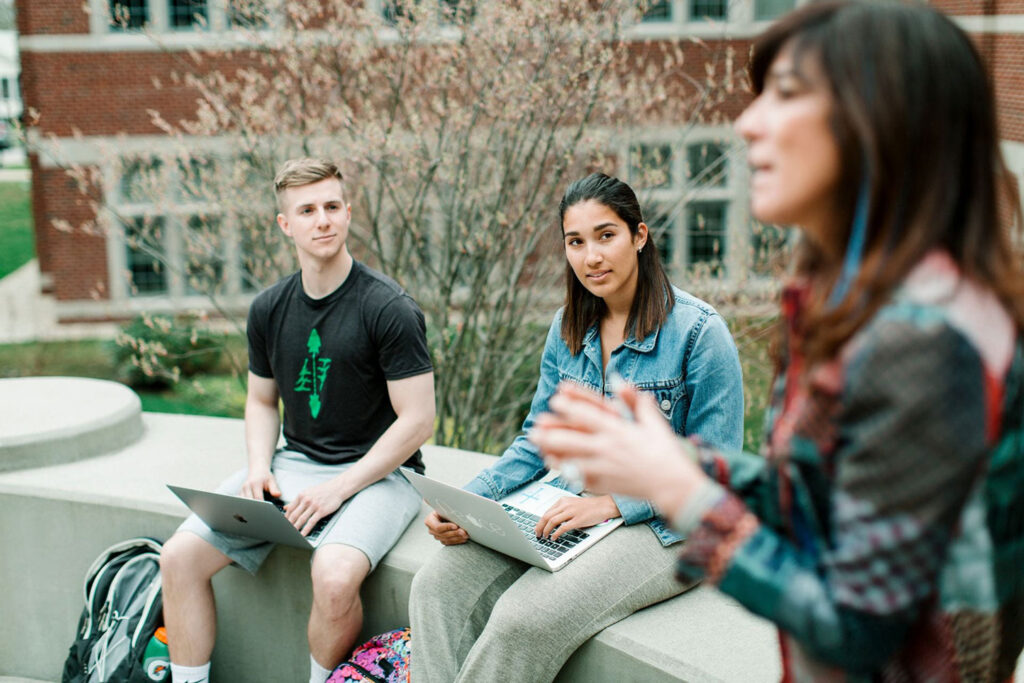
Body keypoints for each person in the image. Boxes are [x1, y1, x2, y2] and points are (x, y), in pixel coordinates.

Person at [531, 2, 1024, 680]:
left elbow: (857, 624)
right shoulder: (846, 300)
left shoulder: (929, 337)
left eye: (786, 95)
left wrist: (685, 494)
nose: (747, 121)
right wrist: (670, 458)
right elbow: (818, 493)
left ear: (880, 123)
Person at [408, 172, 744, 682]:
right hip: (569, 500)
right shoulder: (568, 328)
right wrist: (464, 503)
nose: (592, 257)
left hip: (668, 524)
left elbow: (717, 470)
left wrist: (610, 505)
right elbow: (537, 439)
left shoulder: (700, 333)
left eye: (606, 235)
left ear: (639, 236)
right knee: (436, 586)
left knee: (523, 620)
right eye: (576, 241)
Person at [159, 158, 436, 683]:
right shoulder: (268, 308)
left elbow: (418, 421)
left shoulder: (389, 308)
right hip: (293, 466)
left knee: (332, 577)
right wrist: (259, 466)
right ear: (286, 224)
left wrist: (339, 488)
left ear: (348, 213)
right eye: (307, 210)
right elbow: (262, 401)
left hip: (380, 476)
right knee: (178, 557)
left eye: (332, 206)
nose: (323, 220)